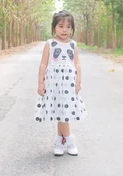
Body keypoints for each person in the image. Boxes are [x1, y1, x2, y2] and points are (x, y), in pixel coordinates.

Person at [35, 10, 86, 156]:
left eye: (68, 27)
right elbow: (43, 64)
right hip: (53, 83)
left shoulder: (73, 45)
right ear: (54, 27)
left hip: (69, 83)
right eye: (61, 26)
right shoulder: (50, 44)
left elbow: (77, 64)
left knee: (64, 112)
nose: (65, 30)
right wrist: (40, 83)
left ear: (72, 29)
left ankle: (63, 141)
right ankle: (67, 141)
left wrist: (78, 81)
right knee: (59, 112)